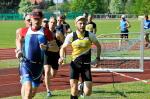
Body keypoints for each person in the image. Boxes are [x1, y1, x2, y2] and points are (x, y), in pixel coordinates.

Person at [58, 16, 101, 99]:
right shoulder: (71, 36)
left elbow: (98, 46)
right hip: (75, 65)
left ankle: (81, 87)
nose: (82, 25)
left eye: (84, 23)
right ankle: (76, 89)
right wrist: (61, 57)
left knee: (88, 93)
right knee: (73, 90)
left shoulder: (90, 35)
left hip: (86, 66)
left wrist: (97, 59)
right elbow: (63, 48)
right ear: (76, 24)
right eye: (80, 23)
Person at [16, 9, 53, 99]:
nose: (36, 21)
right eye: (34, 19)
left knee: (32, 93)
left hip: (39, 66)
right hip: (26, 63)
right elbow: (18, 40)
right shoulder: (24, 31)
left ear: (42, 19)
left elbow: (55, 48)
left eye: (38, 19)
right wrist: (19, 50)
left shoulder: (47, 32)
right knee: (28, 90)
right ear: (31, 20)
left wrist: (47, 47)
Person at [41, 16, 64, 97]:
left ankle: (45, 77)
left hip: (56, 55)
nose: (52, 24)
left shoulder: (58, 33)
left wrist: (62, 57)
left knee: (53, 74)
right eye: (51, 22)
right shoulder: (43, 32)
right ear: (48, 23)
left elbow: (62, 47)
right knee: (47, 71)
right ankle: (48, 91)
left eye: (54, 23)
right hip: (47, 54)